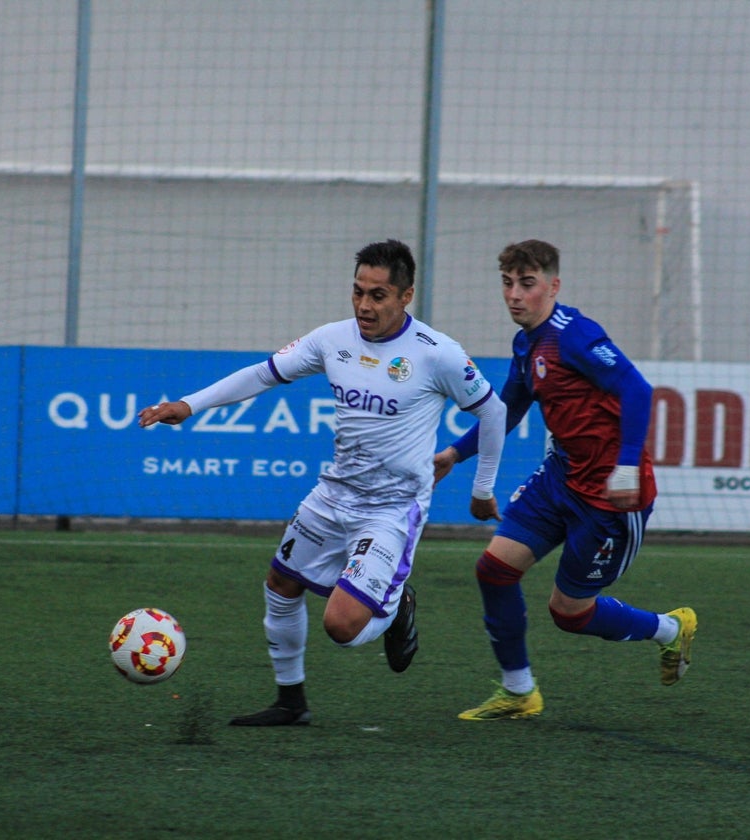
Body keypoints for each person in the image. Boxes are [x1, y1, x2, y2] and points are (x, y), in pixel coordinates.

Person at [139, 239, 506, 726]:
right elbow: (263, 374)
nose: (364, 305)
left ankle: (396, 610)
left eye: (378, 295)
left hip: (392, 507)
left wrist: (481, 488)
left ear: (406, 296)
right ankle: (291, 702)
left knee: (342, 626)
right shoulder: (333, 339)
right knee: (281, 583)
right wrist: (188, 404)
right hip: (334, 494)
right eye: (358, 292)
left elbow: (493, 410)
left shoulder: (437, 354)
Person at [433, 239, 696, 721]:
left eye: (527, 284)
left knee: (568, 613)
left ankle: (668, 629)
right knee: (493, 571)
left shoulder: (575, 335)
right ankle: (519, 692)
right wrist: (453, 453)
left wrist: (627, 465)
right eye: (507, 284)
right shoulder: (525, 342)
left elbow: (637, 389)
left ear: (553, 286)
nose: (514, 295)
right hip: (561, 476)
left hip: (611, 497)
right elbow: (506, 408)